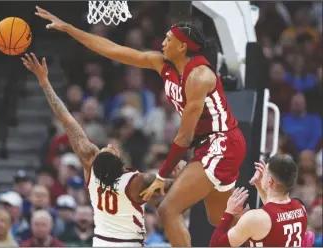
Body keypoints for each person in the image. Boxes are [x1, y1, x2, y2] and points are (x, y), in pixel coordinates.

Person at [34, 6, 247, 246]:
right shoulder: (161, 63)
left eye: (169, 39)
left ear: (183, 46)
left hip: (222, 142)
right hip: (209, 145)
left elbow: (184, 136)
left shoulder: (199, 77)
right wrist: (70, 29)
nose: (163, 41)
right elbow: (114, 50)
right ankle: (267, 235)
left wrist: (163, 174)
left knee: (168, 210)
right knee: (220, 218)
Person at [21, 53, 178, 247]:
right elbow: (174, 184)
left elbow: (67, 120)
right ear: (121, 162)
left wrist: (44, 82)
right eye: (111, 149)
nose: (110, 145)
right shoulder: (136, 180)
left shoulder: (93, 178)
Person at [209, 155, 309, 247]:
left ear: (270, 181)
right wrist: (259, 185)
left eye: (264, 172)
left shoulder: (255, 218)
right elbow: (275, 216)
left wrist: (229, 213)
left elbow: (216, 245)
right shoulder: (300, 207)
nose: (261, 174)